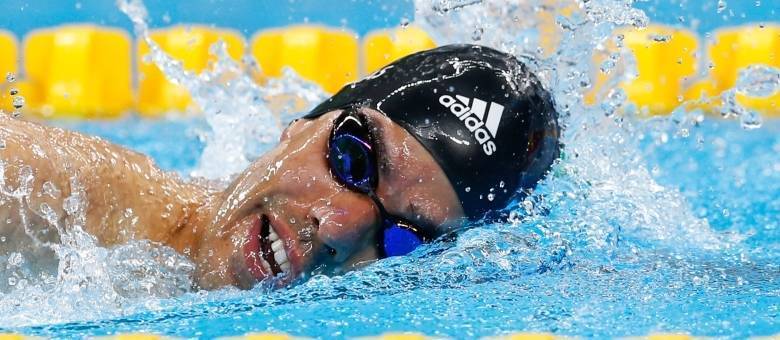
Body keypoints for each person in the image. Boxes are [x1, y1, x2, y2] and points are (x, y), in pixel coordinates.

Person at [0, 44, 559, 290]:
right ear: (304, 121)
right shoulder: (43, 193)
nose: (338, 227)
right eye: (353, 160)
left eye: (402, 239)